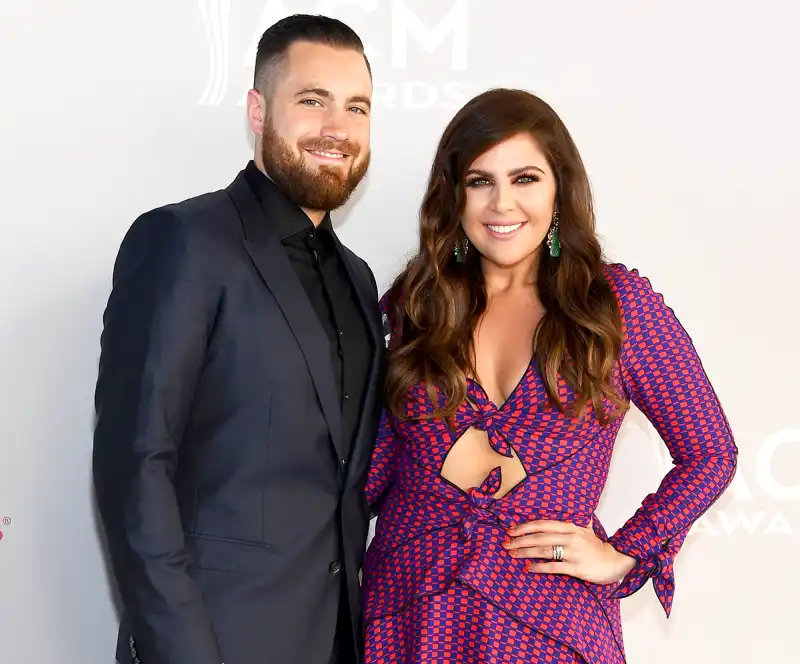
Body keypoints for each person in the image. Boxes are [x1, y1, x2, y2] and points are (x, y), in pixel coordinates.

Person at [362, 88, 738, 663]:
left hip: (548, 624)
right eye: (480, 181)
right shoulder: (415, 307)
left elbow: (711, 452)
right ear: (454, 196)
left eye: (525, 179)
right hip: (411, 614)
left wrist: (625, 552)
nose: (501, 204)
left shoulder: (615, 307)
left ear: (559, 188)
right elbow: (375, 470)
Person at [92, 14, 381, 664]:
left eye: (356, 107)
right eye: (312, 101)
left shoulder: (359, 281)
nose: (337, 128)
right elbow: (135, 466)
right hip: (215, 644)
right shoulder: (183, 242)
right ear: (258, 109)